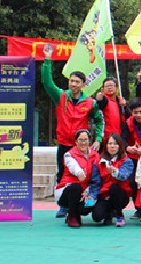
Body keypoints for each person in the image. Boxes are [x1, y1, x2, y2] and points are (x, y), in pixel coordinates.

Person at [42, 44, 104, 218]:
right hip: (64, 143)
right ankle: (64, 205)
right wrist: (47, 60)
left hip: (81, 147)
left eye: (77, 82)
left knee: (84, 174)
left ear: (83, 84)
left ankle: (84, 202)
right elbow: (47, 83)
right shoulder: (61, 96)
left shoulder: (90, 103)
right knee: (62, 174)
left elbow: (99, 121)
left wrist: (98, 139)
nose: (73, 84)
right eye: (71, 81)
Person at [54, 129, 100, 227]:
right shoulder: (69, 155)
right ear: (76, 141)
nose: (83, 142)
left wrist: (89, 193)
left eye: (85, 140)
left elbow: (96, 177)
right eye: (80, 140)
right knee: (75, 187)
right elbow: (73, 166)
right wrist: (80, 173)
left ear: (89, 141)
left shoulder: (96, 155)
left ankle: (77, 212)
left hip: (84, 192)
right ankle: (72, 216)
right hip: (66, 192)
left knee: (90, 204)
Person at [88, 133, 133, 226]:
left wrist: (116, 172)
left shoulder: (127, 161)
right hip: (105, 195)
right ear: (106, 145)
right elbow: (95, 182)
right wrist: (92, 197)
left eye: (115, 144)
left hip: (121, 195)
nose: (112, 146)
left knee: (114, 187)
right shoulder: (98, 162)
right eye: (110, 143)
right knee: (97, 217)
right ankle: (110, 213)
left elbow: (123, 176)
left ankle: (119, 215)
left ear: (120, 146)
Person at [95, 77, 127, 144]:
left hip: (119, 139)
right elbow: (100, 100)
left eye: (111, 85)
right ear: (102, 89)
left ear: (117, 88)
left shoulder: (120, 101)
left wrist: (124, 106)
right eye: (107, 86)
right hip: (105, 139)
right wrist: (99, 96)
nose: (109, 88)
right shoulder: (105, 100)